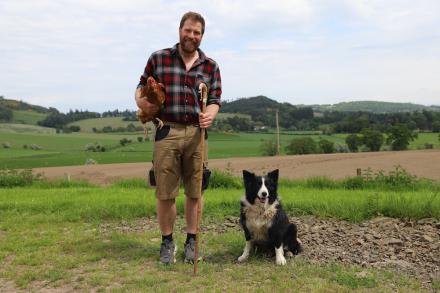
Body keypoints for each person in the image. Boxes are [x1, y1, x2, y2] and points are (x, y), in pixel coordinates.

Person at [135, 11, 222, 264]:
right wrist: (142, 102)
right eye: (188, 30)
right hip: (167, 131)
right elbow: (140, 87)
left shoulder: (210, 66)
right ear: (179, 30)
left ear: (201, 36)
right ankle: (167, 243)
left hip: (197, 133)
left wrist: (210, 114)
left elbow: (215, 99)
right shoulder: (158, 58)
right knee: (165, 193)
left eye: (197, 32)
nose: (191, 36)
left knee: (195, 192)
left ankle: (192, 242)